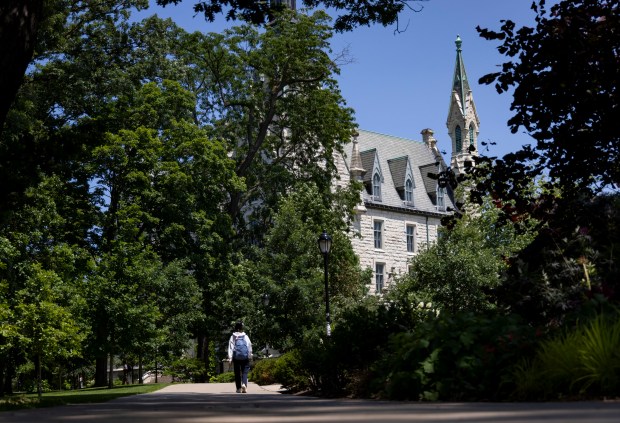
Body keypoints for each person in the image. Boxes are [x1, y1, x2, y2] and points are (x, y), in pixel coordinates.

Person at [227, 321, 252, 393]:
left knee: (237, 372)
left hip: (236, 357)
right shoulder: (245, 336)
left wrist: (230, 358)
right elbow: (249, 346)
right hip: (245, 357)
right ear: (241, 328)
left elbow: (230, 348)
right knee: (245, 372)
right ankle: (244, 384)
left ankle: (238, 388)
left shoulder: (232, 337)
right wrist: (250, 355)